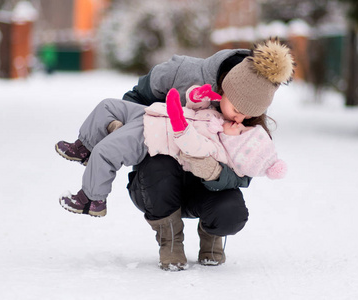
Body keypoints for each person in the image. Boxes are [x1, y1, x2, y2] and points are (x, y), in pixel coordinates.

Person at [55, 38, 294, 270]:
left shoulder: (245, 125)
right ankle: (170, 243)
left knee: (231, 210)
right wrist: (122, 127)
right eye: (238, 110)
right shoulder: (180, 73)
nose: (239, 120)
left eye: (248, 116)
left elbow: (246, 171)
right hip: (156, 175)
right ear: (226, 87)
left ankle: (210, 236)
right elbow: (134, 99)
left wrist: (215, 172)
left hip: (203, 186)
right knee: (124, 135)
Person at [57, 85, 287, 215]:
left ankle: (92, 200)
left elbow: (190, 144)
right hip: (152, 114)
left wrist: (178, 120)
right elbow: (196, 108)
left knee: (106, 152)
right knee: (108, 105)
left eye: (242, 133)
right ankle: (84, 147)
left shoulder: (216, 150)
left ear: (237, 150)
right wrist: (197, 97)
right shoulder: (219, 120)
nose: (240, 124)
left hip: (150, 137)